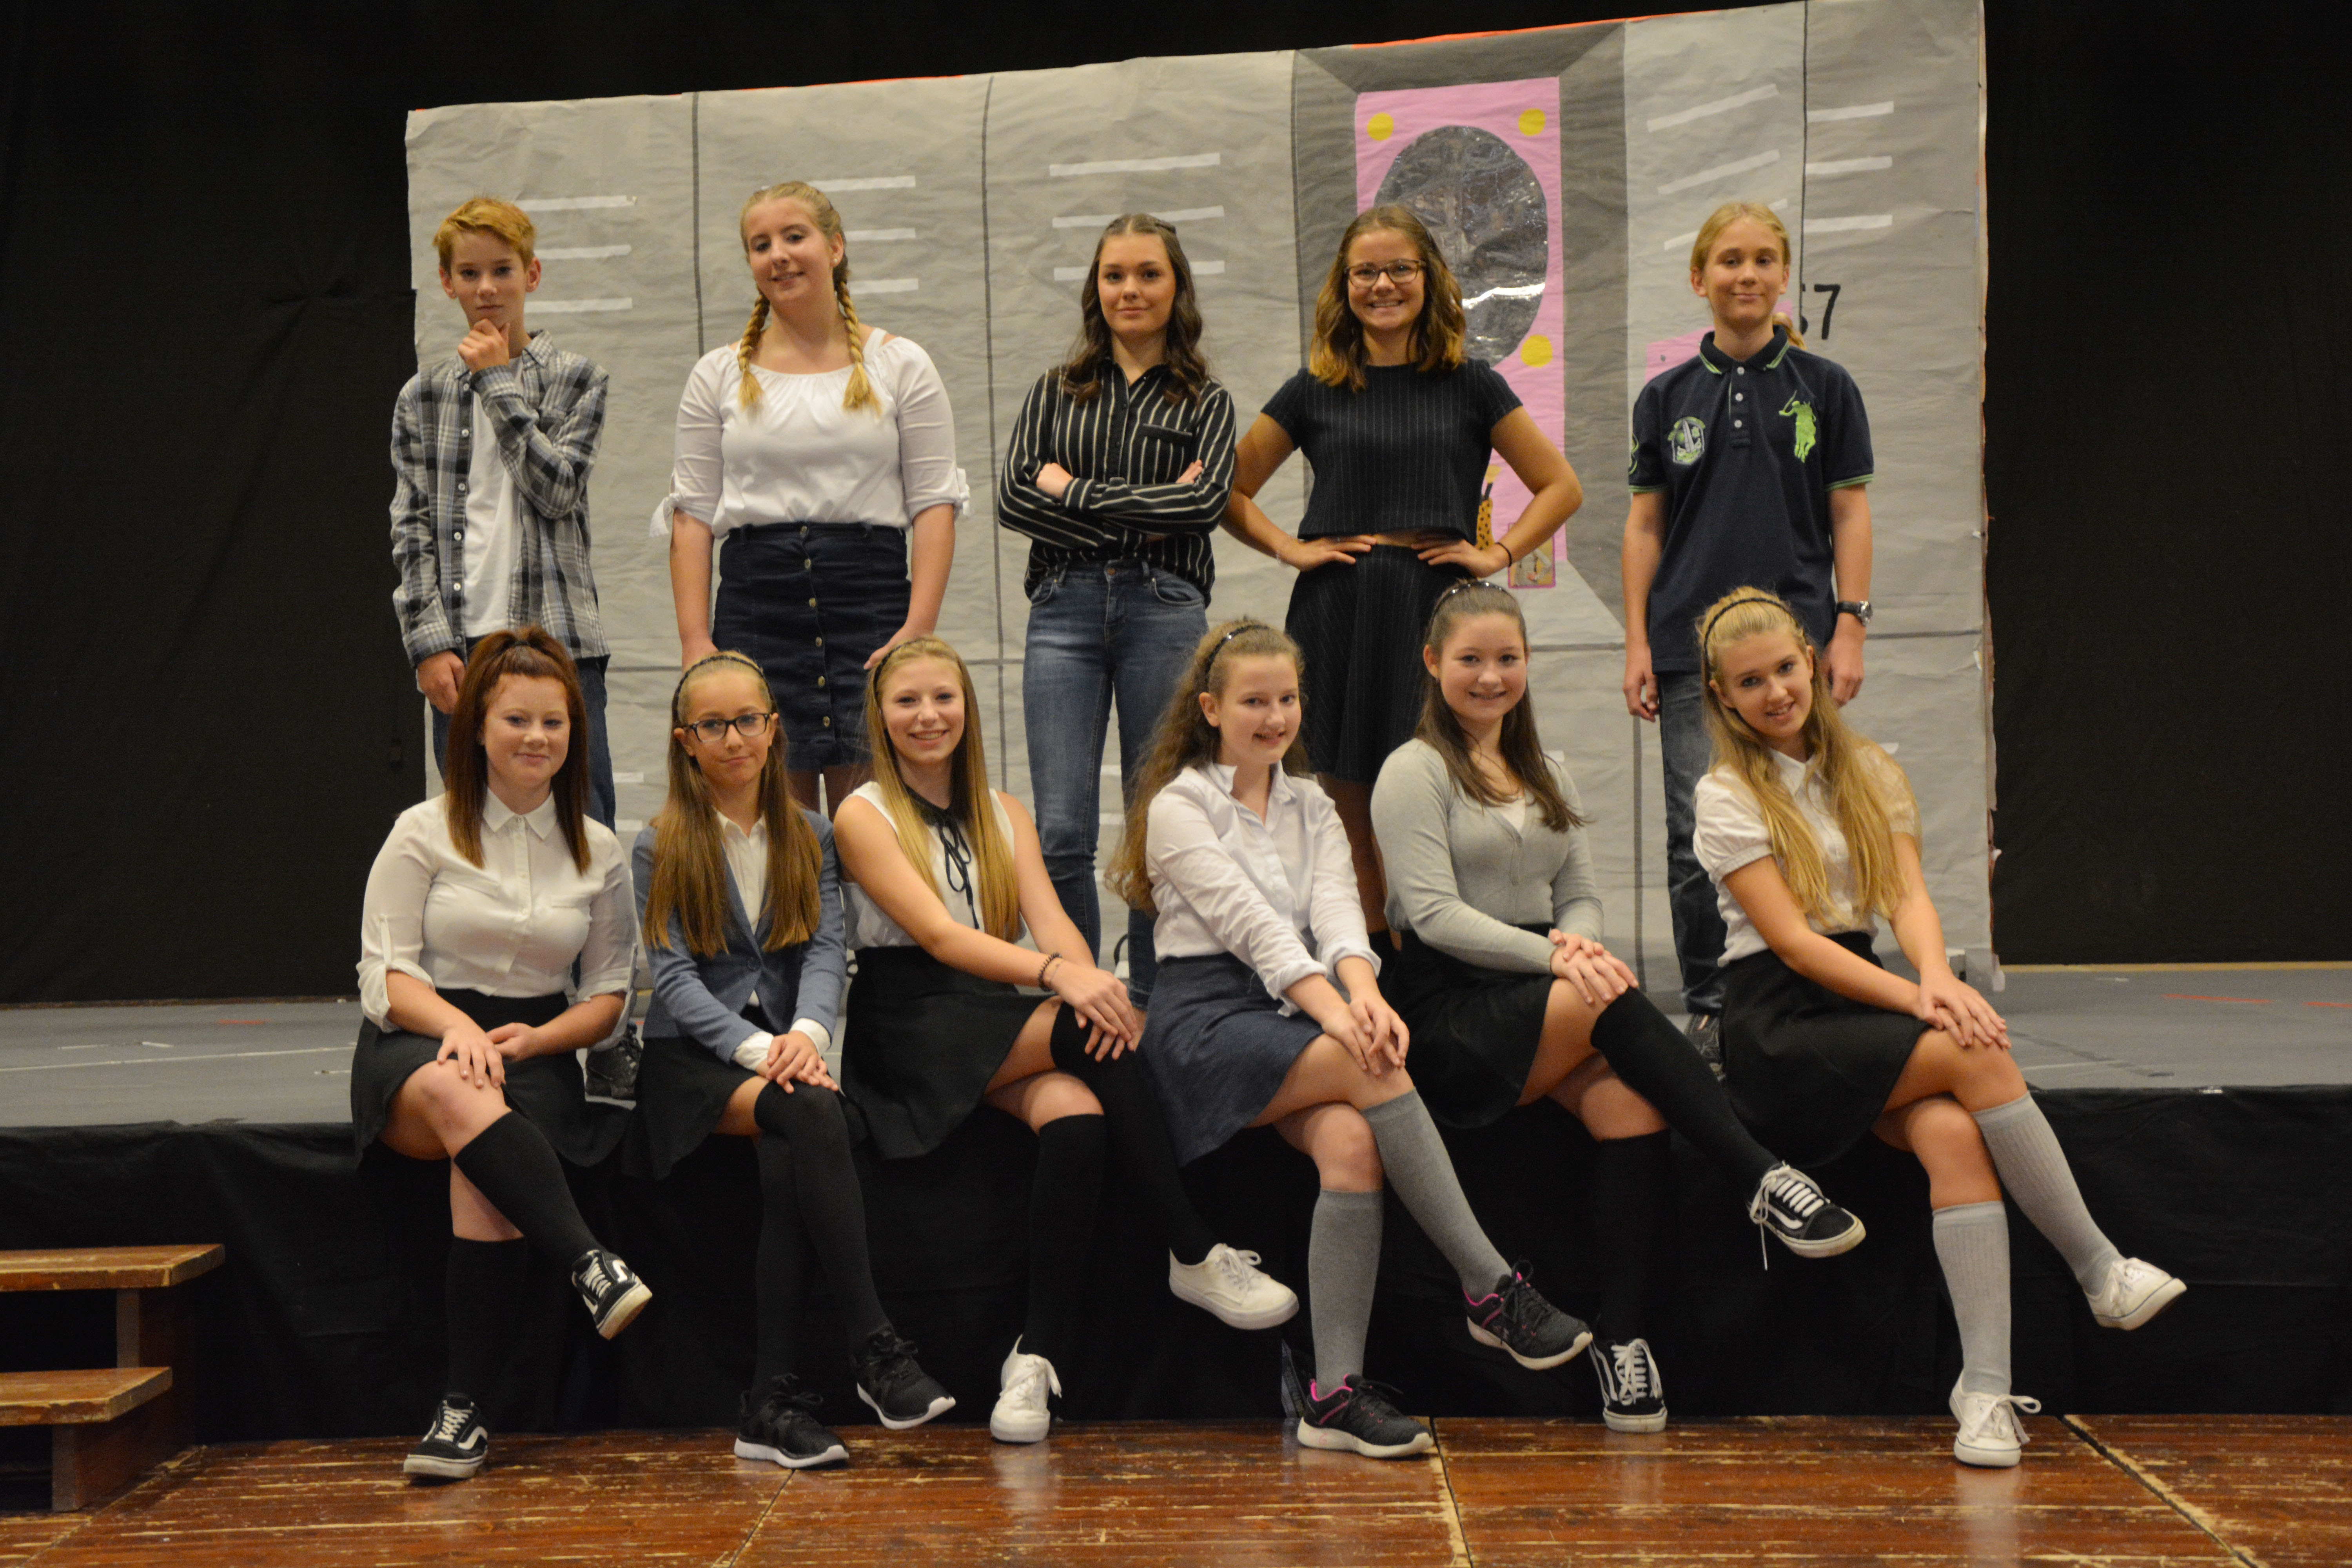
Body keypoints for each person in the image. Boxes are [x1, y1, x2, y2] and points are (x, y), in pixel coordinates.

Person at [1691, 590, 2185, 1468]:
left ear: (1814, 663)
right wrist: (1919, 1001)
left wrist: (1933, 978)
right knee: (1975, 1049)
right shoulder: (1724, 793)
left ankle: (1984, 1392)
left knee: (1955, 1132)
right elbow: (1797, 945)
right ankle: (2098, 1266)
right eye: (1751, 681)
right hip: (1779, 1024)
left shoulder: (1869, 768)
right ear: (1723, 696)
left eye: (1786, 669)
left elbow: (1909, 898)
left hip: (1860, 999)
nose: (1776, 692)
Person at [1369, 582, 1864, 1432]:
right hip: (1449, 1004)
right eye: (1470, 660)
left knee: (1632, 1109)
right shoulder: (1411, 771)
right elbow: (1435, 915)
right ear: (1432, 663)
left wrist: (1581, 944)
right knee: (1610, 996)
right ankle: (1761, 1174)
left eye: (1507, 658)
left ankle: (1623, 1340)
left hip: (1541, 990)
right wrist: (1564, 957)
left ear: (1528, 662)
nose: (1490, 676)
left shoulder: (1547, 770)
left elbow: (1582, 895)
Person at [1111, 621, 1588, 1461]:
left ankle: (1334, 1393)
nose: (1274, 717)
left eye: (1287, 699)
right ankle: (1489, 1286)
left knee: (1353, 1145)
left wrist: (1363, 995)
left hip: (1297, 1004)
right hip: (1205, 1019)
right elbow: (1255, 930)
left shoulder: (1312, 802)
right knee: (1373, 1061)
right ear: (1211, 709)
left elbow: (1337, 915)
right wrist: (1341, 1017)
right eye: (1253, 701)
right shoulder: (1180, 806)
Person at [831, 636, 1296, 1445]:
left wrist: (1094, 986)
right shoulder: (861, 811)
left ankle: (1034, 1359)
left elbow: (1052, 923)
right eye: (907, 701)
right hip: (908, 1023)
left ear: (968, 706)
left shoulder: (1002, 809)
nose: (928, 715)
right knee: (1085, 1022)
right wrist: (1064, 980)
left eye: (943, 697)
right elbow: (939, 937)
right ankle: (1191, 1247)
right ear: (881, 714)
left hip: (988, 1011)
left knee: (1078, 1117)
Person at [630, 651, 952, 1468]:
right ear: (686, 740)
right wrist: (762, 1051)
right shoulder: (660, 841)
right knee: (811, 1111)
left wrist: (807, 1034)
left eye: (748, 720)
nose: (734, 738)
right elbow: (672, 976)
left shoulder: (812, 831)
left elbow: (825, 947)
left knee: (791, 1150)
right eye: (713, 725)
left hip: (786, 1051)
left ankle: (769, 1403)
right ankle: (874, 1345)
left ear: (775, 729)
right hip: (693, 1060)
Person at [1221, 204, 1582, 930]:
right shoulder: (1314, 388)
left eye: (1399, 269)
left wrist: (1497, 555)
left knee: (1432, 798)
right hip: (1338, 609)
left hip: (1433, 609)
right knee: (1347, 810)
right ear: (1344, 285)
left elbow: (1561, 487)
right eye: (1365, 272)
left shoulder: (1471, 384)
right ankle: (1375, 966)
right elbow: (1228, 492)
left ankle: (1440, 957)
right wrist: (1292, 548)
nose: (1382, 285)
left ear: (1430, 278)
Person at [352, 628, 649, 1483]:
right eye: (517, 719)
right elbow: (383, 972)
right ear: (477, 727)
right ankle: (590, 1262)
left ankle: (464, 1412)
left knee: (481, 1167)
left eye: (554, 721)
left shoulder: (597, 847)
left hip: (535, 1049)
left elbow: (609, 995)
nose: (536, 737)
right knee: (459, 1089)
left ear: (574, 731)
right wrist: (455, 1027)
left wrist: (544, 1039)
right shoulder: (421, 831)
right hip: (418, 1038)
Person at [1622, 201, 1876, 1054]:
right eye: (1730, 260)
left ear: (1784, 274)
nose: (1748, 275)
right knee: (1696, 834)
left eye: (1764, 259)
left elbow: (1850, 512)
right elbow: (1645, 527)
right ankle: (1713, 1003)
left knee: (1816, 820)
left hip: (1799, 646)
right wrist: (1638, 643)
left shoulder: (1826, 388)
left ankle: (1819, 982)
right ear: (1700, 277)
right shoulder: (1665, 398)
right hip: (1690, 653)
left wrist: (1850, 625)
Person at [659, 179, 965, 811]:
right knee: (775, 821)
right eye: (760, 244)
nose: (778, 255)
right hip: (757, 606)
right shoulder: (717, 374)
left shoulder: (901, 364)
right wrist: (696, 643)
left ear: (836, 247)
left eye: (794, 237)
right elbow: (692, 515)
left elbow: (934, 503)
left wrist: (916, 631)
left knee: (874, 818)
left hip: (869, 604)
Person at [996, 214, 1235, 1001]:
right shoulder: (1055, 390)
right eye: (1115, 275)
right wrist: (1150, 505)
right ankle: (1082, 993)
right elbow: (1013, 500)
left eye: (1148, 274)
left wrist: (1074, 490)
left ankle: (1155, 1000)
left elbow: (1202, 506)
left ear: (1177, 287)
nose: (1130, 289)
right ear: (1096, 289)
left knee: (1158, 820)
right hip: (1063, 608)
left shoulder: (1206, 401)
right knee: (1061, 826)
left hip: (1164, 608)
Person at [390, 197, 617, 828]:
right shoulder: (422, 396)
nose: (487, 289)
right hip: (464, 649)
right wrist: (428, 644)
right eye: (470, 274)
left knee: (580, 822)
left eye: (502, 271)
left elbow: (557, 491)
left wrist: (495, 381)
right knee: (473, 828)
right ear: (448, 283)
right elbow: (411, 529)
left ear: (531, 275)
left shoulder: (578, 379)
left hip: (561, 642)